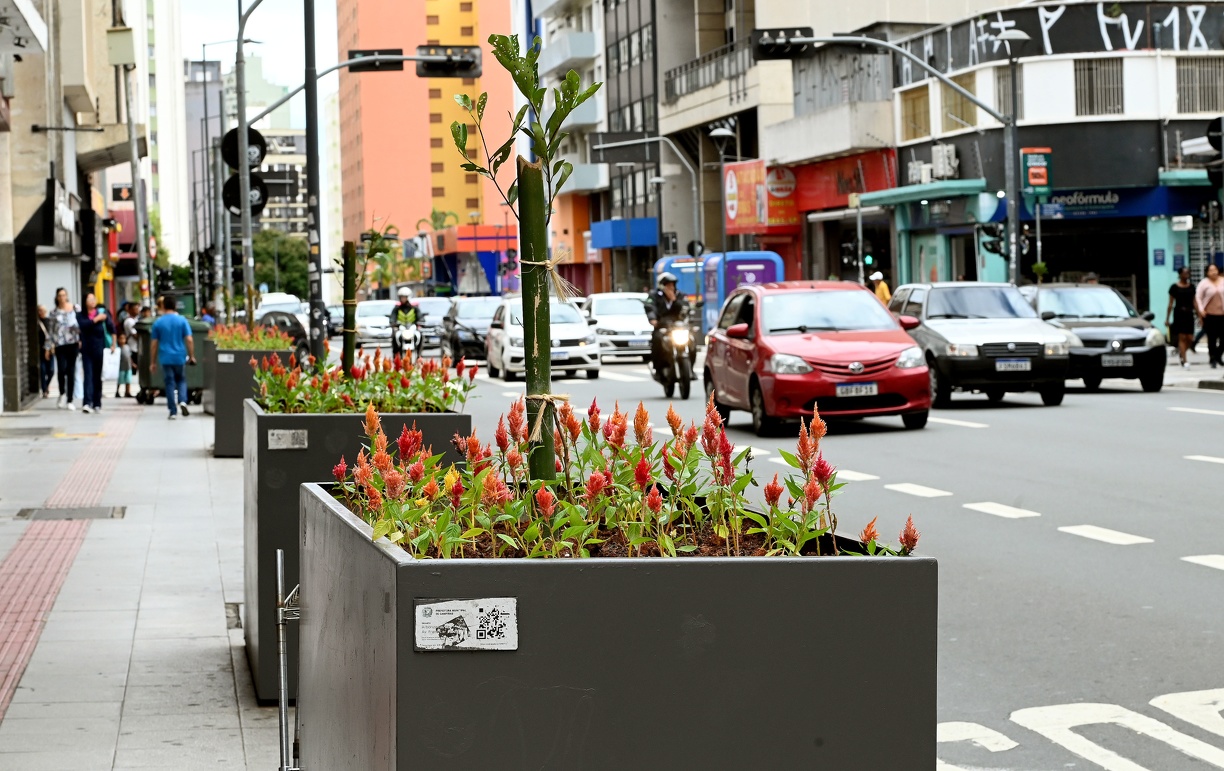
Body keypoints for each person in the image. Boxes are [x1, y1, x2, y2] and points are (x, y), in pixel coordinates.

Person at [149, 294, 196, 419]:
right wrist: (191, 356)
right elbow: (189, 340)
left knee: (169, 382)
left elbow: (154, 344)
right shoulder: (182, 321)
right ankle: (182, 400)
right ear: (175, 306)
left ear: (163, 306)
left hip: (165, 357)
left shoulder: (158, 323)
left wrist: (152, 362)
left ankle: (173, 411)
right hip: (179, 356)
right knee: (181, 380)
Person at [645, 272, 690, 380]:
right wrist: (653, 319)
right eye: (668, 285)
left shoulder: (680, 295)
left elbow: (685, 308)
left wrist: (674, 300)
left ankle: (690, 369)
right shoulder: (654, 295)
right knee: (657, 339)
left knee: (691, 340)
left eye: (672, 285)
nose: (671, 287)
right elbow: (650, 307)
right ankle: (658, 369)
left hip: (678, 326)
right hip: (662, 326)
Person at [76, 293, 115, 414]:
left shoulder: (103, 313)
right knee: (88, 375)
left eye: (94, 299)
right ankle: (87, 402)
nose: (92, 301)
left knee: (97, 376)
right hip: (87, 349)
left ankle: (97, 402)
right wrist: (95, 320)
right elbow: (83, 326)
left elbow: (112, 328)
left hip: (99, 348)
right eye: (89, 299)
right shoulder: (81, 315)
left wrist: (113, 344)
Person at [48, 288, 80, 411]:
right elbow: (51, 331)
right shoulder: (54, 313)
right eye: (60, 295)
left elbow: (80, 324)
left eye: (64, 295)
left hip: (73, 343)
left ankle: (70, 399)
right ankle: (62, 393)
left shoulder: (75, 308)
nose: (62, 297)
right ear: (57, 297)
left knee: (71, 370)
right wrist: (48, 347)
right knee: (61, 370)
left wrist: (81, 339)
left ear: (67, 296)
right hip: (59, 344)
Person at [1166, 266, 1197, 369]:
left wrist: (1199, 315)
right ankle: (1185, 360)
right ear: (1179, 274)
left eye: (1188, 272)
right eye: (1184, 273)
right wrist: (1167, 318)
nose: (1186, 274)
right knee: (1182, 337)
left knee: (1190, 338)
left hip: (1189, 314)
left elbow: (1194, 302)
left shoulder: (1191, 287)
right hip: (1179, 314)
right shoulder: (1174, 287)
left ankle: (1182, 352)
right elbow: (1170, 303)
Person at [1195, 263, 1224, 369]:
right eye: (1211, 270)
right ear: (1207, 272)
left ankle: (1218, 355)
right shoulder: (1204, 283)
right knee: (1212, 338)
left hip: (1222, 315)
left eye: (1215, 269)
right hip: (1210, 315)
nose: (1214, 272)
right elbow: (1198, 297)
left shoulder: (1222, 281)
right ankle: (1212, 358)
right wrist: (1201, 310)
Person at [389, 286, 419, 359]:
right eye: (401, 297)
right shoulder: (397, 308)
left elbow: (420, 316)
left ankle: (419, 354)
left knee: (420, 335)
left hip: (411, 328)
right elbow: (392, 317)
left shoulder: (414, 308)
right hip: (401, 328)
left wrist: (420, 322)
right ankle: (396, 356)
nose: (403, 299)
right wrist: (393, 323)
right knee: (394, 337)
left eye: (404, 297)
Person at [36, 305, 54, 398]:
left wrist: (48, 348)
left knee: (51, 370)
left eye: (42, 310)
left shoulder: (49, 321)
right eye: (39, 310)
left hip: (50, 350)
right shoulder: (37, 323)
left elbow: (51, 336)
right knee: (42, 370)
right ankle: (44, 390)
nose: (41, 312)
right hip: (40, 350)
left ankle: (46, 386)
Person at [114, 331, 134, 398]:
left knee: (128, 380)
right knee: (120, 380)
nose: (122, 340)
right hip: (121, 367)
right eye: (121, 338)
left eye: (124, 338)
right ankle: (117, 391)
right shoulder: (117, 348)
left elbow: (129, 356)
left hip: (128, 367)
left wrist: (132, 363)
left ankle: (127, 392)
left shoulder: (127, 347)